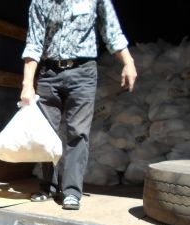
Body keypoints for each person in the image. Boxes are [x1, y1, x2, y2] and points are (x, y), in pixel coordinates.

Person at [20, 0, 137, 210]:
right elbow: (34, 43)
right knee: (46, 132)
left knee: (78, 133)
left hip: (83, 73)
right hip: (49, 73)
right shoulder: (40, 2)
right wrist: (27, 84)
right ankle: (48, 187)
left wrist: (128, 62)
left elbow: (112, 31)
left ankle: (72, 192)